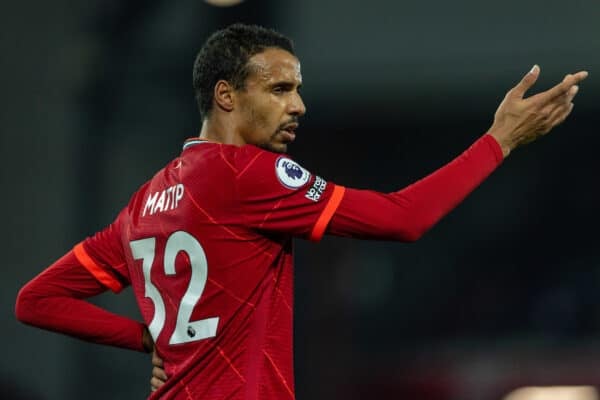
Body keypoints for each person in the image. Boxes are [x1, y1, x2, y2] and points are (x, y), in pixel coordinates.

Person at [15, 23, 587, 399]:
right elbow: (400, 218)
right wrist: (499, 141)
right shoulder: (245, 175)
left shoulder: (143, 204)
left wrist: (148, 340)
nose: (300, 106)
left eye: (299, 89)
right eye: (281, 89)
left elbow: (36, 301)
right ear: (226, 95)